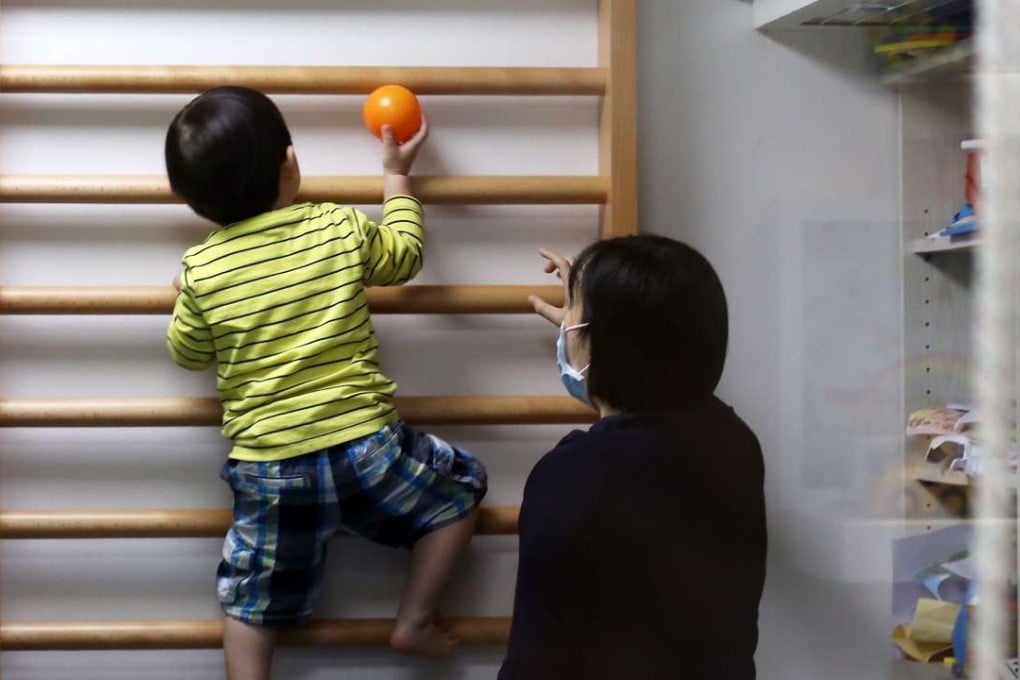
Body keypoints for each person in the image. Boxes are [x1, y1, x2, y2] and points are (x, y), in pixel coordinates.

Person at [164, 86, 487, 679]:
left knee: (248, 604)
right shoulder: (335, 227)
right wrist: (395, 175)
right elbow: (404, 256)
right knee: (461, 492)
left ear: (193, 202)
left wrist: (184, 300)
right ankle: (414, 620)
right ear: (290, 164)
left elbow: (188, 353)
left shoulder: (202, 269)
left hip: (270, 467)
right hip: (367, 449)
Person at [500, 236, 767, 679]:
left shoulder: (572, 474)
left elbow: (536, 658)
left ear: (604, 344)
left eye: (575, 316)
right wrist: (591, 336)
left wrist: (590, 345)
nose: (567, 323)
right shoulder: (733, 442)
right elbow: (643, 431)